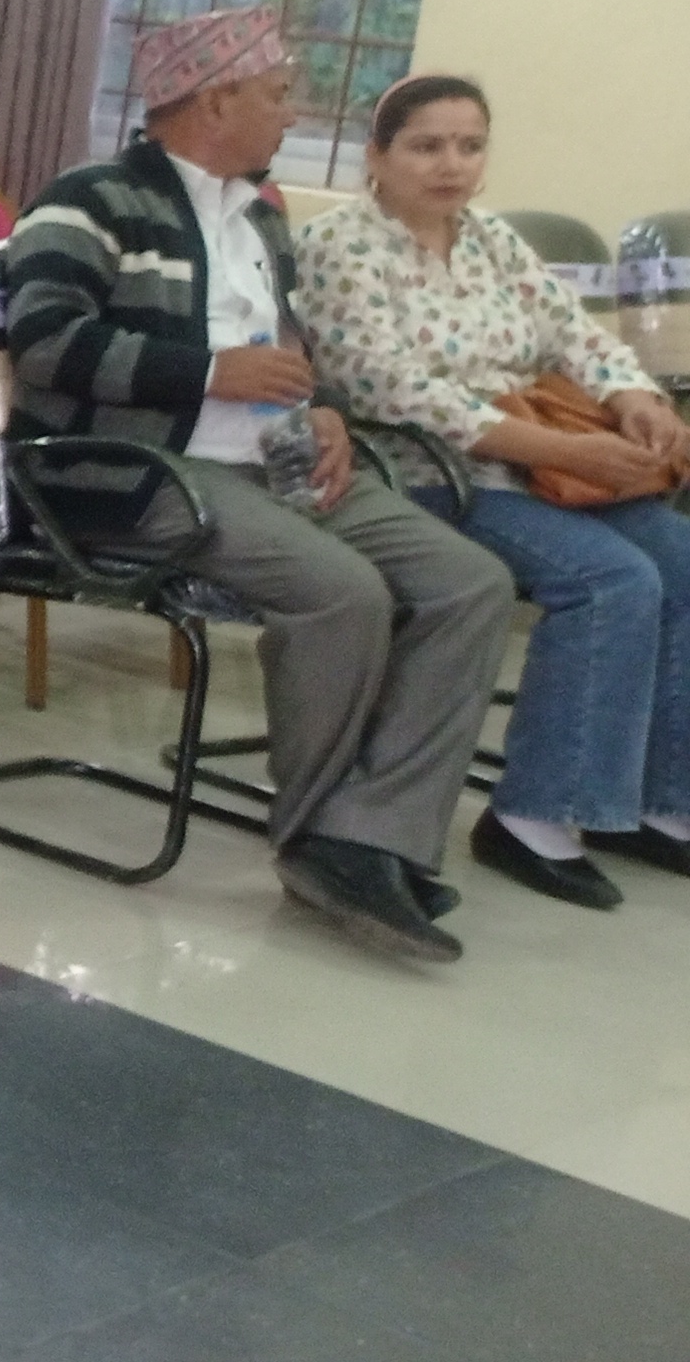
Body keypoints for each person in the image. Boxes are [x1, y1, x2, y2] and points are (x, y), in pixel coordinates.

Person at [3, 5, 510, 962]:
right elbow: (40, 343)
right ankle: (320, 843)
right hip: (140, 472)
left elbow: (286, 349)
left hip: (271, 461)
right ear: (215, 99)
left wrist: (321, 407)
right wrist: (205, 371)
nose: (293, 111)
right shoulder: (92, 200)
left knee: (470, 582)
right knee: (341, 592)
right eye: (278, 93)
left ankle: (376, 834)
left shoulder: (262, 217)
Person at [291, 74, 690, 909]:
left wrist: (634, 398)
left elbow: (575, 334)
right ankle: (533, 817)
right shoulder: (341, 245)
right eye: (427, 146)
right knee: (612, 580)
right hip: (427, 471)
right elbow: (391, 388)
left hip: (540, 464)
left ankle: (654, 801)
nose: (452, 165)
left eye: (470, 146)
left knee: (682, 563)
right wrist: (564, 447)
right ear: (377, 156)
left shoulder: (491, 240)